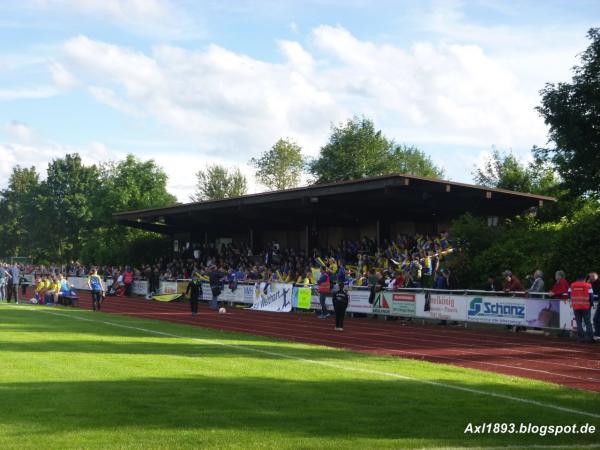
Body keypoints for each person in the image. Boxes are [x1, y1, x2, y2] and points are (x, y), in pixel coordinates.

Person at [568, 275, 595, 343]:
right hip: (586, 306)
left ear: (577, 279)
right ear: (584, 279)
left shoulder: (572, 285)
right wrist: (591, 303)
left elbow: (569, 294)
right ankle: (589, 338)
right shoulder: (588, 285)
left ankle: (581, 338)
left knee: (578, 322)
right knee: (587, 322)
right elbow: (591, 296)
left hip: (576, 306)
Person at [588, 272, 600, 338]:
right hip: (598, 302)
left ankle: (597, 334)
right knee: (595, 319)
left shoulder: (598, 282)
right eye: (589, 277)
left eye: (591, 277)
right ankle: (597, 334)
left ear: (595, 276)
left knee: (596, 319)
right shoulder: (590, 283)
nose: (590, 278)